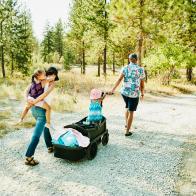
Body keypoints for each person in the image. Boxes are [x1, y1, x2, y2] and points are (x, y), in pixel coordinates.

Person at [25, 67, 59, 166]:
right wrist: (29, 100)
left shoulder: (51, 83)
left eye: (53, 74)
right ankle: (29, 157)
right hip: (39, 108)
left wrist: (31, 102)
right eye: (49, 74)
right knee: (37, 134)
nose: (51, 76)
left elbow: (41, 94)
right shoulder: (43, 80)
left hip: (35, 107)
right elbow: (29, 91)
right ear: (46, 75)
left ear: (56, 75)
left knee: (46, 126)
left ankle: (49, 146)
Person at [109, 53, 145, 136]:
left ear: (129, 59)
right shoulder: (141, 69)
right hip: (134, 94)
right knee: (131, 111)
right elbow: (142, 84)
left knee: (127, 107)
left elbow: (119, 79)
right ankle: (127, 131)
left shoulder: (125, 68)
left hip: (124, 92)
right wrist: (142, 93)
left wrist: (112, 90)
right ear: (137, 60)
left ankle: (126, 123)